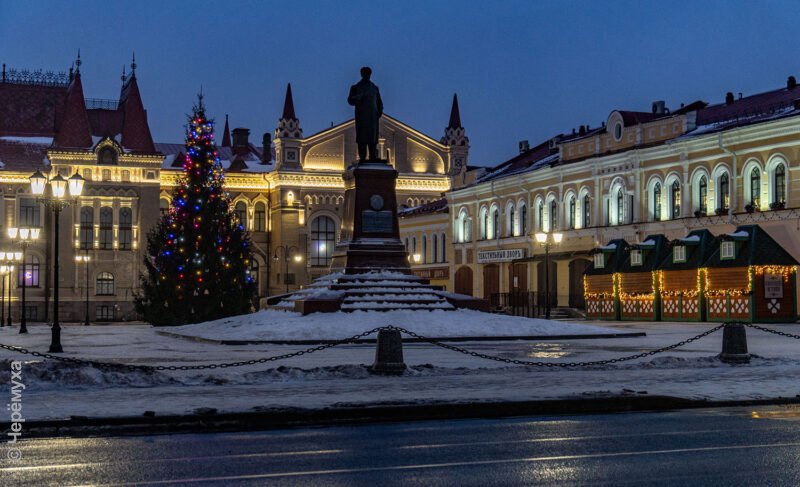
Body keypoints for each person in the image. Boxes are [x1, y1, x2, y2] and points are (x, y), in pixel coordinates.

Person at [348, 67, 383, 162]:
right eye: (365, 74)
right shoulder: (355, 87)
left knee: (372, 137)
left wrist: (379, 111)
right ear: (362, 74)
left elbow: (379, 102)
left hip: (372, 116)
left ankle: (373, 156)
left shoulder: (374, 88)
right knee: (362, 136)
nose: (367, 76)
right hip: (362, 116)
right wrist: (358, 98)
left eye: (368, 74)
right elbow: (350, 100)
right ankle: (362, 156)